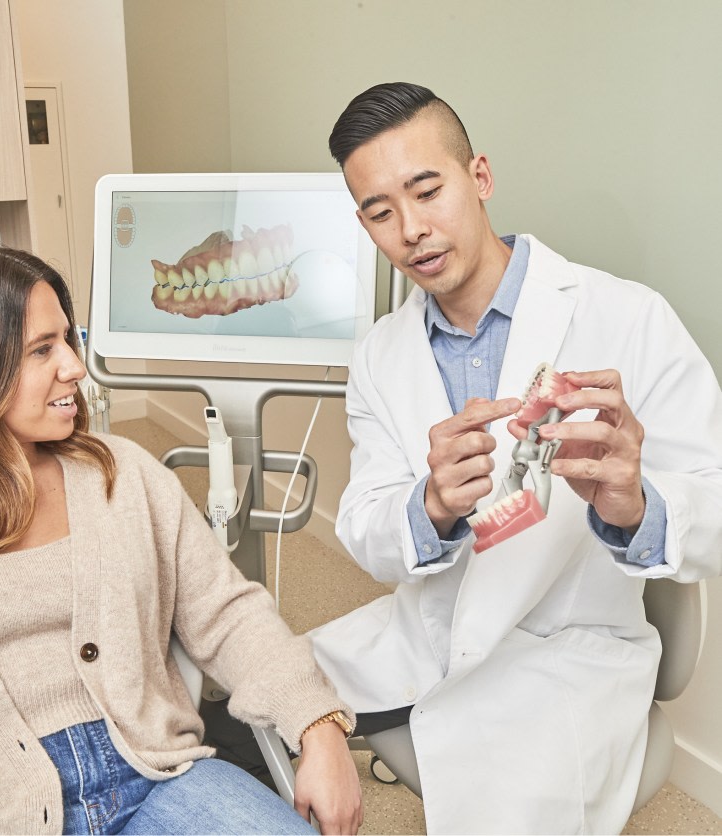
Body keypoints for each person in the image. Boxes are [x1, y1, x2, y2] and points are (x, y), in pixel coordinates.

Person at [0, 242, 363, 835]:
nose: (75, 368)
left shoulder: (120, 474)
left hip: (151, 774)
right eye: (41, 350)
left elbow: (227, 614)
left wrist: (320, 726)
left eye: (67, 341)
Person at [307, 82, 722, 835]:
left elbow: (716, 508)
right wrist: (430, 506)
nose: (411, 231)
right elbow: (367, 529)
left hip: (568, 648)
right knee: (253, 690)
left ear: (481, 178)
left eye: (427, 191)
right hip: (426, 629)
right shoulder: (379, 357)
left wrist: (638, 506)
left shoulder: (627, 318)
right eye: (379, 212)